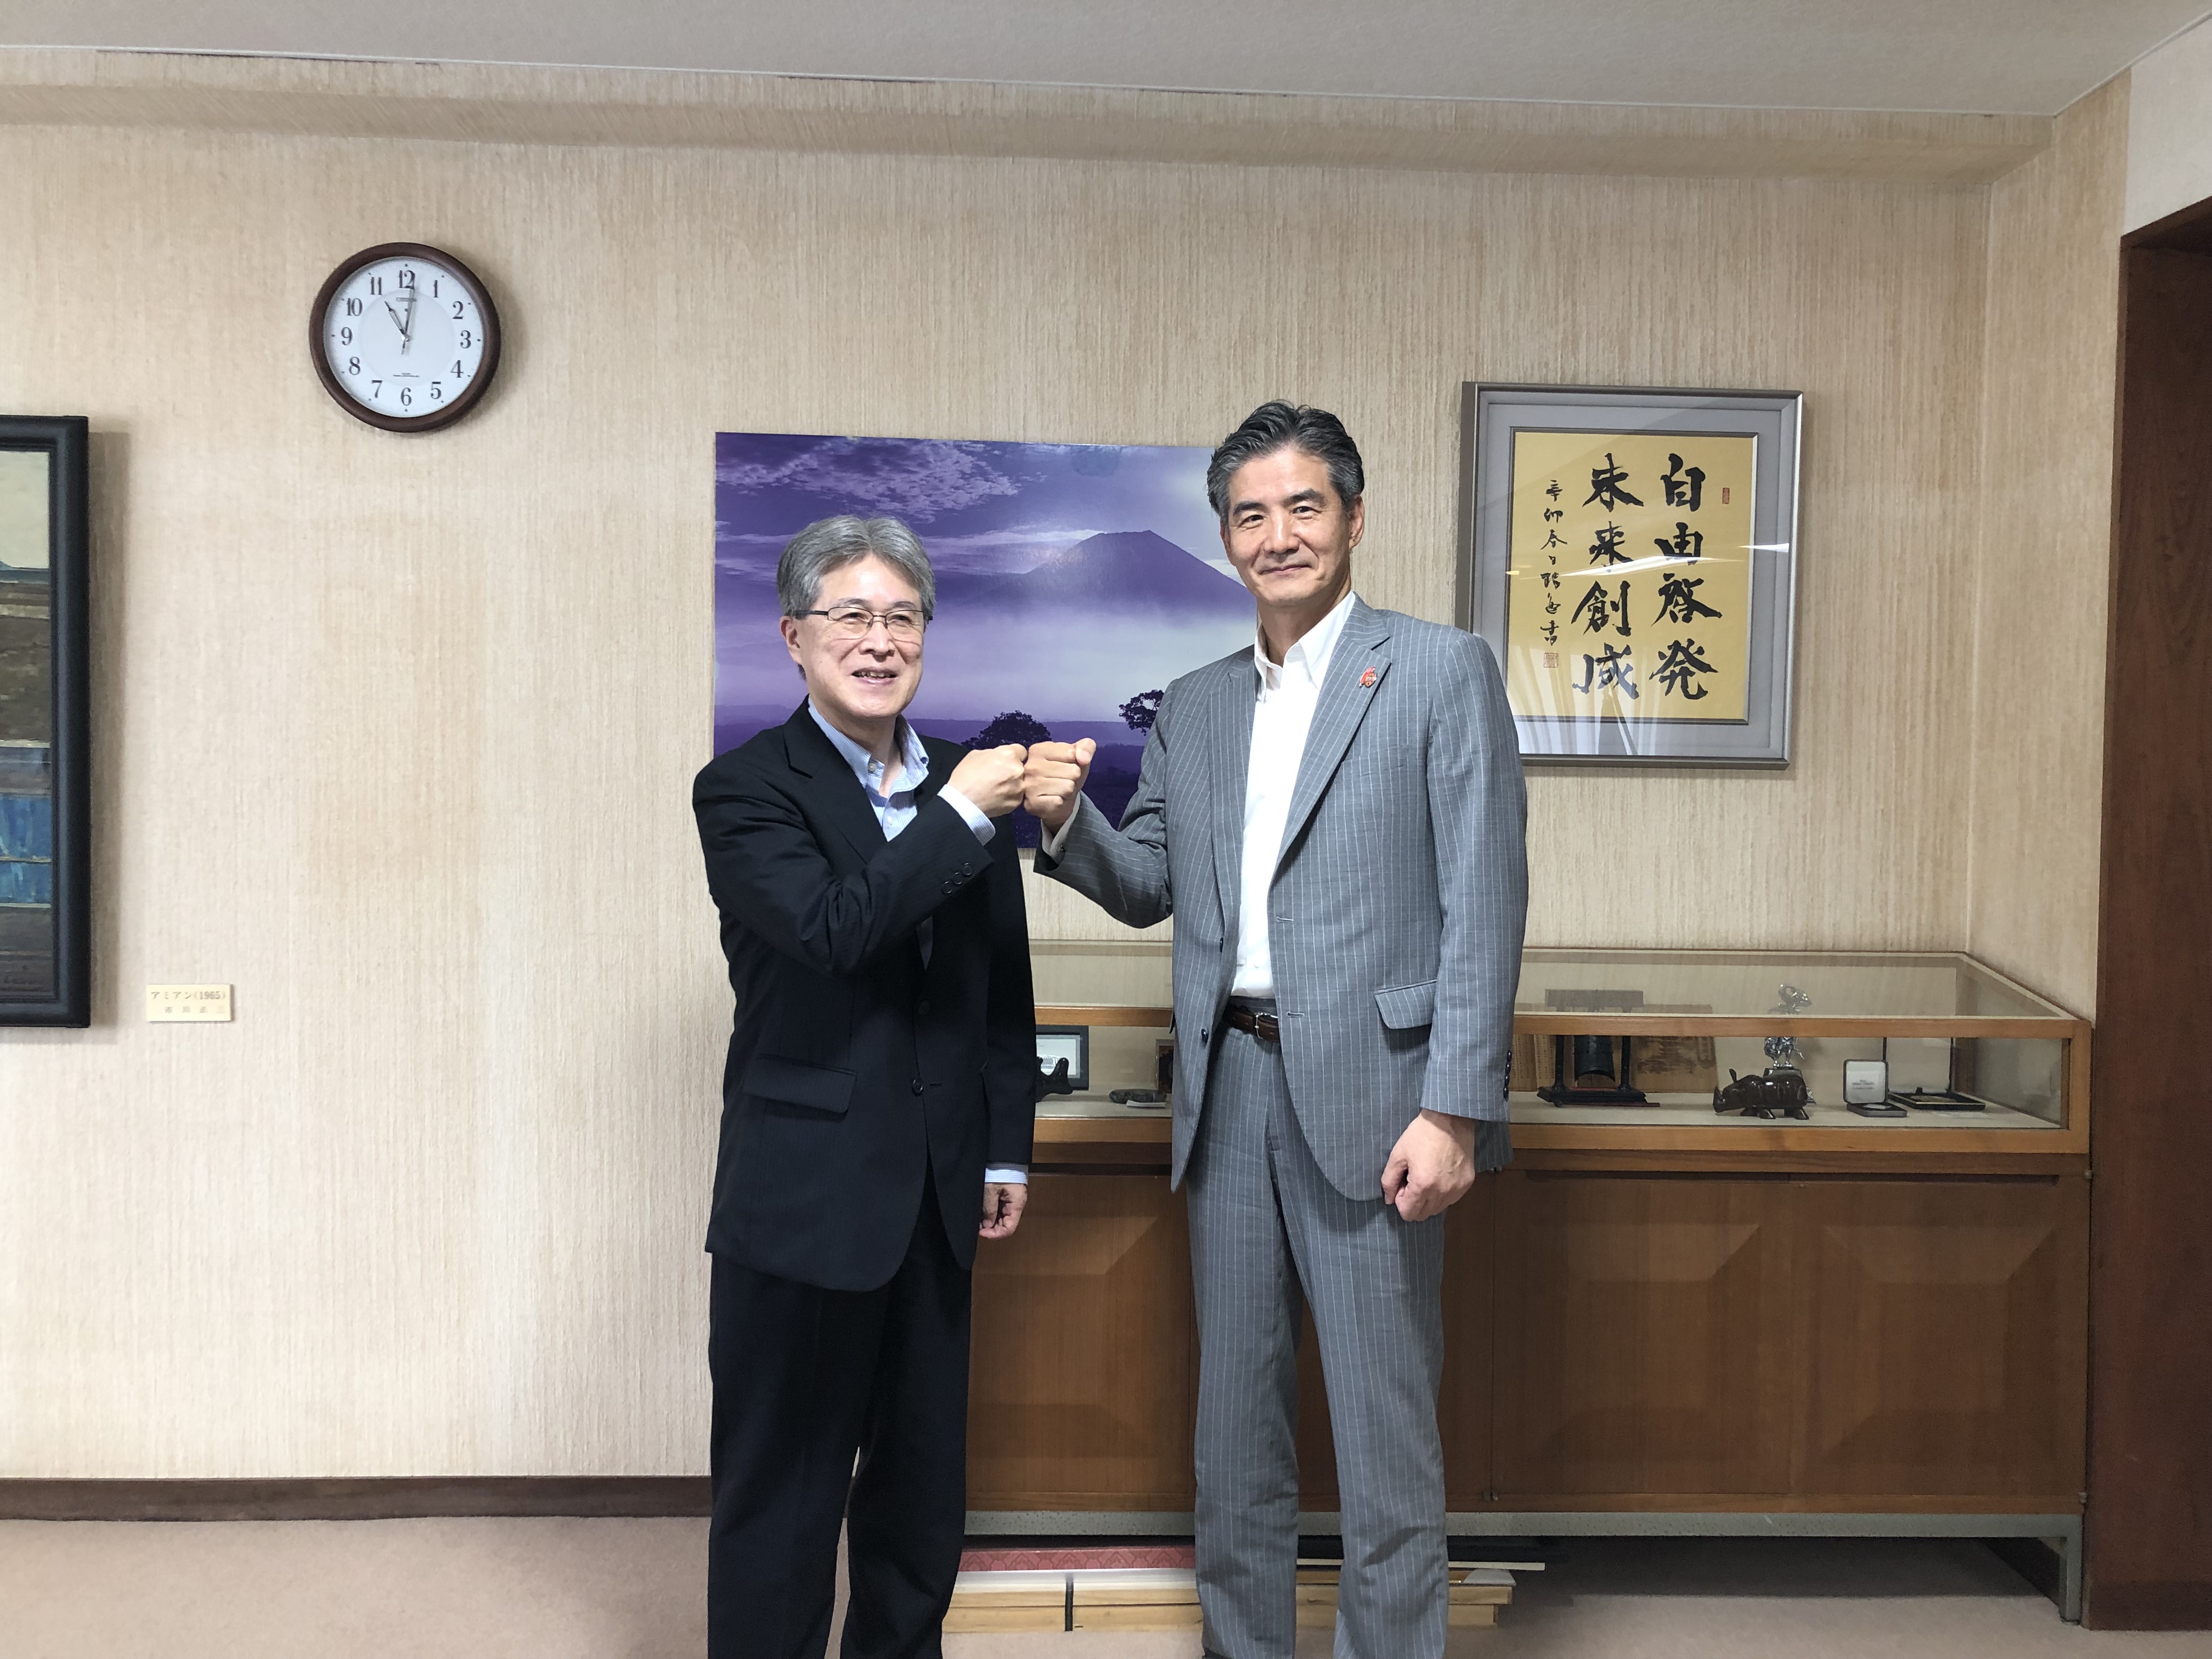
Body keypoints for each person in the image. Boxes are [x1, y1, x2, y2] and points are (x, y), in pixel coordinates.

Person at [1023, 403, 1527, 1659]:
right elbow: (1149, 882)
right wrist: (1069, 820)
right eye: (1250, 515)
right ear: (1225, 538)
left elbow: (1486, 898)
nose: (1277, 534)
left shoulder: (1440, 670)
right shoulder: (1196, 706)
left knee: (1385, 1436)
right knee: (1234, 1438)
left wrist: (1455, 1107)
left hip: (1386, 1100)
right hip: (1228, 1093)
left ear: (1354, 519)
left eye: (1304, 506)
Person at [692, 515, 1037, 1659]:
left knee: (920, 1496)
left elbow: (999, 993)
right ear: (794, 636)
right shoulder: (745, 788)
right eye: (850, 615)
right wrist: (962, 813)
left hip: (938, 1195)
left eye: (901, 617)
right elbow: (835, 931)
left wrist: (1004, 1145)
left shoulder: (964, 783)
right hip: (803, 1196)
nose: (879, 640)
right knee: (781, 1495)